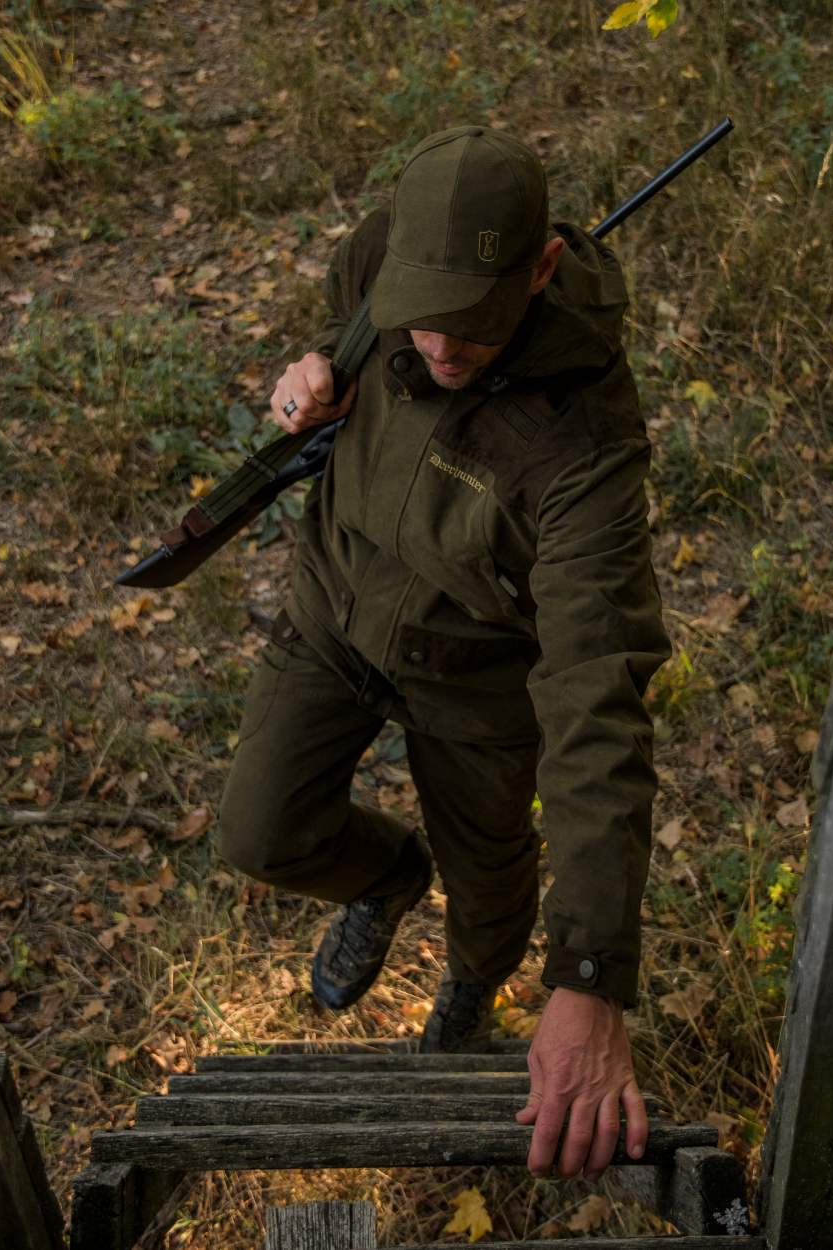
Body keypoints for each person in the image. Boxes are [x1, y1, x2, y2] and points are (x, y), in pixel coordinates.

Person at [218, 125, 671, 1182]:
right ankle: (385, 879)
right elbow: (348, 314)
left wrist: (591, 977)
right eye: (422, 313)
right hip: (338, 606)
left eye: (470, 321)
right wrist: (320, 363)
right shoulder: (387, 254)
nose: (440, 345)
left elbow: (597, 695)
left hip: (476, 679)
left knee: (491, 883)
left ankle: (471, 983)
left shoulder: (588, 446)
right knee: (259, 830)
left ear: (542, 269)